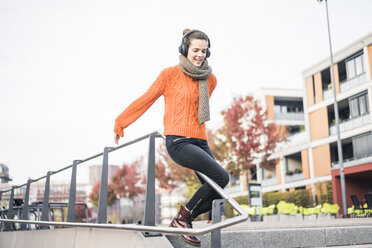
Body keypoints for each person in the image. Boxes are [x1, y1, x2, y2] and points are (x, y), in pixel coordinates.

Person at [114, 29, 229, 247]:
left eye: (204, 51)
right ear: (185, 49)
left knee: (219, 189)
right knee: (220, 176)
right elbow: (146, 99)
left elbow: (197, 110)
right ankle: (183, 219)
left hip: (200, 141)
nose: (199, 55)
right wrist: (121, 122)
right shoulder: (169, 74)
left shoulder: (210, 79)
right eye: (195, 50)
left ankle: (183, 219)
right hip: (179, 141)